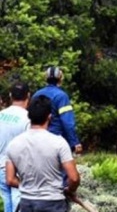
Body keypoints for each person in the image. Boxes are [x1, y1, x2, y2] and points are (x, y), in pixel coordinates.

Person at [6, 95, 80, 212]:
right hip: (54, 203)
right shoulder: (59, 143)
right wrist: (69, 190)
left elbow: (10, 179)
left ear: (29, 116)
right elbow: (74, 178)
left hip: (27, 203)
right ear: (49, 117)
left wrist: (28, 187)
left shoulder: (14, 144)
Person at [32, 67, 82, 155]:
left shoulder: (36, 95)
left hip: (36, 140)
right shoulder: (61, 96)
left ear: (46, 78)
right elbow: (67, 122)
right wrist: (75, 142)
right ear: (60, 79)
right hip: (57, 140)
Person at [0, 82, 30, 212]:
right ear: (28, 96)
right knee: (18, 205)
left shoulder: (1, 115)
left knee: (5, 203)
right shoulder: (29, 118)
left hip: (0, 167)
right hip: (19, 172)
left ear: (10, 95)